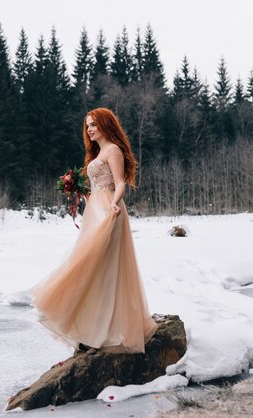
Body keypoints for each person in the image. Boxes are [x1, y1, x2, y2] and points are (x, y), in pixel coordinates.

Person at [32, 107, 158, 354]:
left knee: (104, 269)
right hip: (95, 210)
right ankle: (89, 329)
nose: (89, 129)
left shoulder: (113, 150)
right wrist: (80, 191)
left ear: (105, 125)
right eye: (87, 125)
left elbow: (119, 183)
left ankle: (103, 331)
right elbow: (97, 186)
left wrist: (114, 203)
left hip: (110, 211)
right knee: (91, 268)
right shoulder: (98, 152)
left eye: (93, 125)